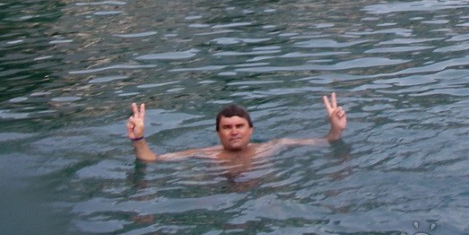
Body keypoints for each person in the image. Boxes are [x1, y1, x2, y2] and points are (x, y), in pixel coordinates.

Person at [126, 93, 346, 163]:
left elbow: (326, 142)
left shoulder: (272, 147)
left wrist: (335, 129)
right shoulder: (206, 155)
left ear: (251, 130)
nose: (234, 131)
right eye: (227, 127)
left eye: (239, 126)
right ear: (218, 133)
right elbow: (152, 160)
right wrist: (139, 139)